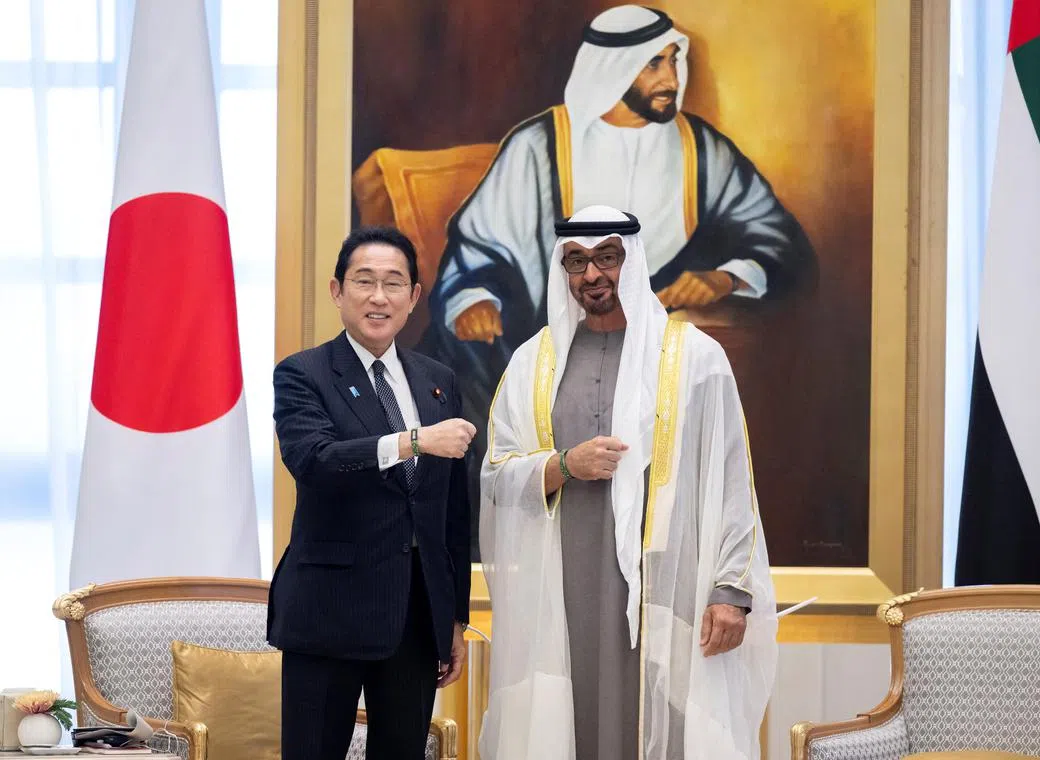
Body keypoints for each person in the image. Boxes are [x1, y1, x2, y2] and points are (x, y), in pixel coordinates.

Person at [420, 4, 816, 535]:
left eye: (674, 61)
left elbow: (778, 238)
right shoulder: (540, 146)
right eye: (653, 64)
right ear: (614, 68)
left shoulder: (700, 150)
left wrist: (725, 276)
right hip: (535, 339)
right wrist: (475, 300)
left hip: (650, 351)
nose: (670, 79)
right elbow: (480, 247)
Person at [477, 205, 778, 760]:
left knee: (666, 727)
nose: (592, 275)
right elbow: (496, 474)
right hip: (563, 588)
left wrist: (730, 592)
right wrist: (564, 465)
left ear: (632, 262)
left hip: (670, 590)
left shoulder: (695, 358)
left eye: (607, 258)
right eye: (576, 262)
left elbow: (732, 478)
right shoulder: (532, 363)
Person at [268, 226, 475, 759]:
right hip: (328, 613)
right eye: (364, 281)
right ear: (338, 292)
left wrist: (452, 615)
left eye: (393, 283)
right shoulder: (303, 374)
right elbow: (313, 460)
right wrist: (413, 441)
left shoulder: (437, 380)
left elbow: (451, 508)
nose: (378, 297)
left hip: (413, 617)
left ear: (413, 297)